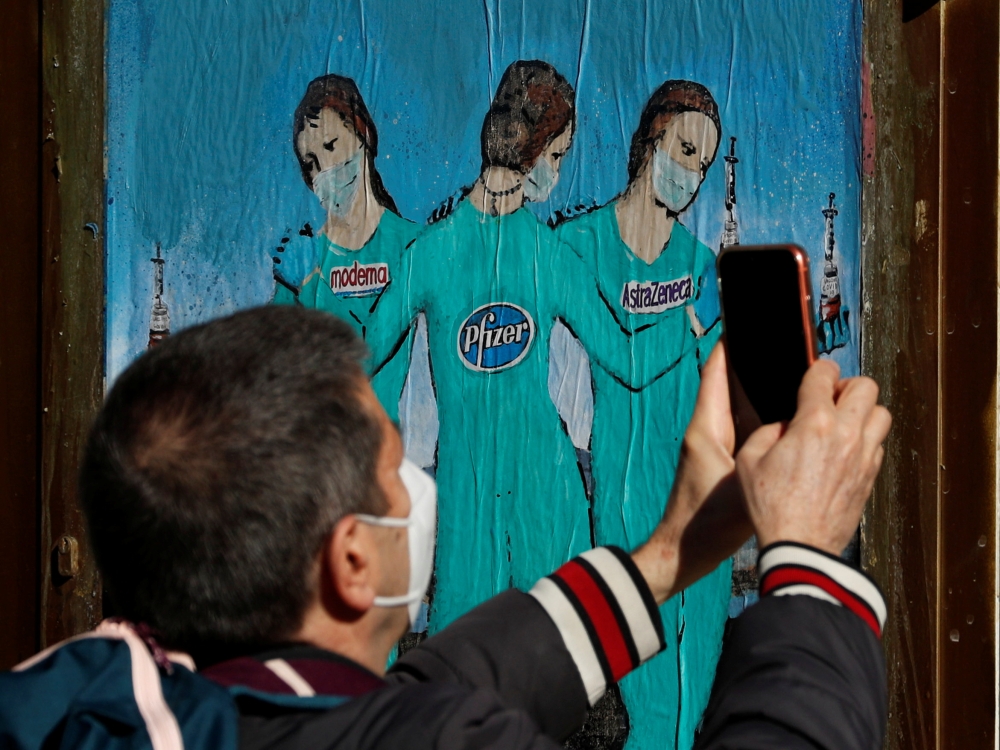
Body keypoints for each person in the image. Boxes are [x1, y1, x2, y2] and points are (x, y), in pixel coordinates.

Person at [3, 304, 891, 749]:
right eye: (394, 470)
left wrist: (669, 553)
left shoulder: (109, 705)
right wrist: (807, 560)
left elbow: (417, 691)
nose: (415, 486)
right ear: (352, 559)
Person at [359, 61, 694, 635]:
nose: (557, 173)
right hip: (474, 499)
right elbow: (628, 357)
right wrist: (680, 326)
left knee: (541, 670)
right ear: (535, 149)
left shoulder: (452, 252)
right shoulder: (460, 254)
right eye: (559, 156)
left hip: (546, 495)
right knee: (473, 665)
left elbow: (357, 357)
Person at [553, 80, 726, 750]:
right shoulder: (580, 247)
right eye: (685, 151)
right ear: (651, 139)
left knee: (690, 718)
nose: (691, 175)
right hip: (630, 513)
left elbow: (719, 385)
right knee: (651, 713)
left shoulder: (701, 264)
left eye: (703, 165)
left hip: (705, 508)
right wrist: (690, 319)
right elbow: (621, 358)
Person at [272, 74, 423, 431]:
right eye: (310, 162)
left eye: (330, 146)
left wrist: (311, 286)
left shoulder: (411, 246)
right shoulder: (302, 257)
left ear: (363, 136)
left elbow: (364, 358)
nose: (323, 171)